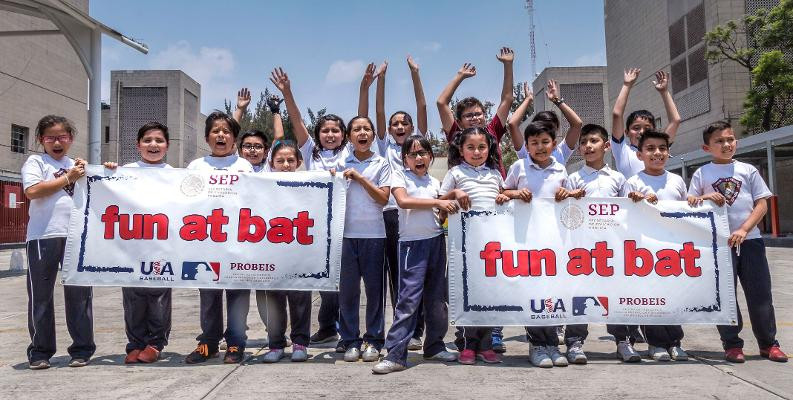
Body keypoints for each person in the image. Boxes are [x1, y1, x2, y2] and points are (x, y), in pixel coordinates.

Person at [688, 121, 788, 363]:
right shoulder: (702, 173)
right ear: (706, 147)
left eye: (730, 139)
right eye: (719, 141)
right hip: (718, 246)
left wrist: (744, 229)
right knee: (725, 296)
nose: (726, 144)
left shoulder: (748, 170)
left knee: (760, 294)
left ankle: (768, 343)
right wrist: (703, 196)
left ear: (736, 142)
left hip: (750, 242)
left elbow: (762, 204)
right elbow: (690, 201)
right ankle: (732, 344)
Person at [270, 68, 348, 348]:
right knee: (319, 282)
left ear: (343, 135)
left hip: (344, 226)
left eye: (335, 130)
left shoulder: (351, 154)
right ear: (318, 134)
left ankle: (342, 331)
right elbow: (297, 120)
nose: (330, 134)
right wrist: (286, 92)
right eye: (325, 130)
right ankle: (327, 328)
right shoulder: (311, 152)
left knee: (339, 285)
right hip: (314, 228)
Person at [359, 55, 429, 351]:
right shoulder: (385, 146)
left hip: (415, 216)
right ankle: (395, 328)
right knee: (392, 276)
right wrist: (380, 80)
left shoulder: (417, 146)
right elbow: (377, 109)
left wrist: (415, 74)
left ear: (412, 127)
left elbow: (422, 107)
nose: (400, 127)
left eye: (405, 123)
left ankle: (416, 331)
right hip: (388, 217)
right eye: (395, 124)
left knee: (413, 276)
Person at [372, 135, 458, 374]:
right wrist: (438, 203)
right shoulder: (400, 176)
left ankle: (434, 345)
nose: (418, 157)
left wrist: (448, 203)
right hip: (412, 245)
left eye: (423, 153)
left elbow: (439, 213)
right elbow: (403, 201)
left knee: (436, 300)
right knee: (408, 300)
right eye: (413, 154)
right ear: (405, 159)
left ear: (431, 156)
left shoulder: (434, 181)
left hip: (436, 242)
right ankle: (396, 354)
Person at [22, 115, 95, 369]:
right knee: (40, 296)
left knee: (80, 294)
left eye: (62, 137)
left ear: (71, 139)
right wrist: (68, 178)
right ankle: (40, 352)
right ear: (41, 140)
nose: (56, 142)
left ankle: (82, 349)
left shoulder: (77, 164)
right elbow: (32, 191)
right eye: (50, 137)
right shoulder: (36, 161)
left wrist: (100, 169)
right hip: (43, 237)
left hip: (76, 237)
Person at [502, 121, 574, 368]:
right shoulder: (519, 166)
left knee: (552, 294)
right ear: (527, 146)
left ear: (554, 144)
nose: (540, 147)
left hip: (555, 243)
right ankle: (536, 345)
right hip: (526, 242)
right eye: (534, 143)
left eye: (545, 142)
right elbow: (502, 193)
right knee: (532, 295)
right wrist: (515, 194)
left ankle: (552, 344)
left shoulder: (561, 170)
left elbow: (575, 200)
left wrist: (568, 195)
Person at [185, 111, 254, 364]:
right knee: (209, 295)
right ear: (207, 137)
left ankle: (236, 343)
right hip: (206, 241)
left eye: (226, 131)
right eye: (216, 131)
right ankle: (209, 343)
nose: (221, 135)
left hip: (238, 241)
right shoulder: (196, 166)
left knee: (238, 294)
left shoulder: (244, 166)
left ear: (234, 138)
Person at [103, 122, 174, 364]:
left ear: (167, 145)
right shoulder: (126, 170)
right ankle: (135, 343)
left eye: (159, 140)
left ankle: (155, 343)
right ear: (138, 145)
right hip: (131, 247)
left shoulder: (175, 175)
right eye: (147, 140)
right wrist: (108, 171)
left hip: (161, 248)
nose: (153, 145)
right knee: (132, 298)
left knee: (158, 298)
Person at [565, 124, 636, 363]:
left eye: (593, 141)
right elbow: (565, 214)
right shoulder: (573, 178)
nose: (587, 146)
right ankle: (574, 342)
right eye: (583, 142)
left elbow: (629, 213)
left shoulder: (618, 179)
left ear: (606, 146)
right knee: (580, 295)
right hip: (582, 250)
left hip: (613, 250)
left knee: (616, 295)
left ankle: (623, 340)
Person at [440, 127, 505, 365]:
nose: (476, 152)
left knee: (489, 296)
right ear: (461, 149)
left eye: (482, 147)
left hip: (491, 248)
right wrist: (455, 192)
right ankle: (467, 344)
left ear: (489, 149)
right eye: (470, 147)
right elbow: (440, 200)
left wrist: (505, 196)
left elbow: (504, 200)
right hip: (464, 248)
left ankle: (486, 345)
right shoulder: (455, 173)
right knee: (465, 297)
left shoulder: (495, 174)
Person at [624, 130, 690, 361]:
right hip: (646, 251)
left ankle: (675, 341)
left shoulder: (677, 180)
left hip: (673, 250)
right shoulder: (633, 182)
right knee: (652, 298)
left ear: (668, 153)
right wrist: (636, 201)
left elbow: (688, 212)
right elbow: (624, 215)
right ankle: (655, 343)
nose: (657, 153)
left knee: (673, 297)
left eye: (662, 148)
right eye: (650, 149)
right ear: (640, 154)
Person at [336, 116, 392, 362]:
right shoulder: (340, 162)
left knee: (374, 292)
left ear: (372, 134)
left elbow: (382, 198)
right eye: (356, 129)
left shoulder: (382, 163)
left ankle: (374, 339)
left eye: (367, 129)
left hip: (374, 235)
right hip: (345, 236)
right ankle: (350, 340)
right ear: (349, 136)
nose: (362, 133)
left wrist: (359, 178)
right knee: (347, 293)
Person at [258, 140, 314, 363]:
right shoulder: (262, 185)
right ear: (271, 163)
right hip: (272, 250)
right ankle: (275, 344)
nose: (286, 165)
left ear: (299, 162)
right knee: (274, 298)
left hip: (301, 249)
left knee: (300, 296)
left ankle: (300, 342)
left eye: (291, 160)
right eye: (280, 161)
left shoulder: (311, 184)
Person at [437, 47, 515, 178]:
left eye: (478, 114)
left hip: (496, 193)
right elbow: (441, 103)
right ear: (459, 122)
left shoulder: (492, 131)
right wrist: (460, 77)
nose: (474, 118)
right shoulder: (456, 135)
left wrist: (508, 65)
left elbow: (507, 99)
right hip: (466, 194)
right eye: (468, 115)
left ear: (485, 116)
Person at [611, 68, 681, 178]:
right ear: (627, 132)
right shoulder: (622, 150)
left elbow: (675, 120)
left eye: (647, 128)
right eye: (636, 128)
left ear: (653, 131)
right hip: (632, 195)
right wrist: (627, 85)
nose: (642, 132)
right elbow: (617, 114)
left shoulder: (658, 146)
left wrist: (664, 92)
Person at [510, 80, 584, 165]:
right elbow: (512, 124)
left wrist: (556, 100)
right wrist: (528, 99)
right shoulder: (527, 152)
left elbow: (577, 124)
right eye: (542, 127)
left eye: (550, 128)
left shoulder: (561, 152)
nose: (540, 148)